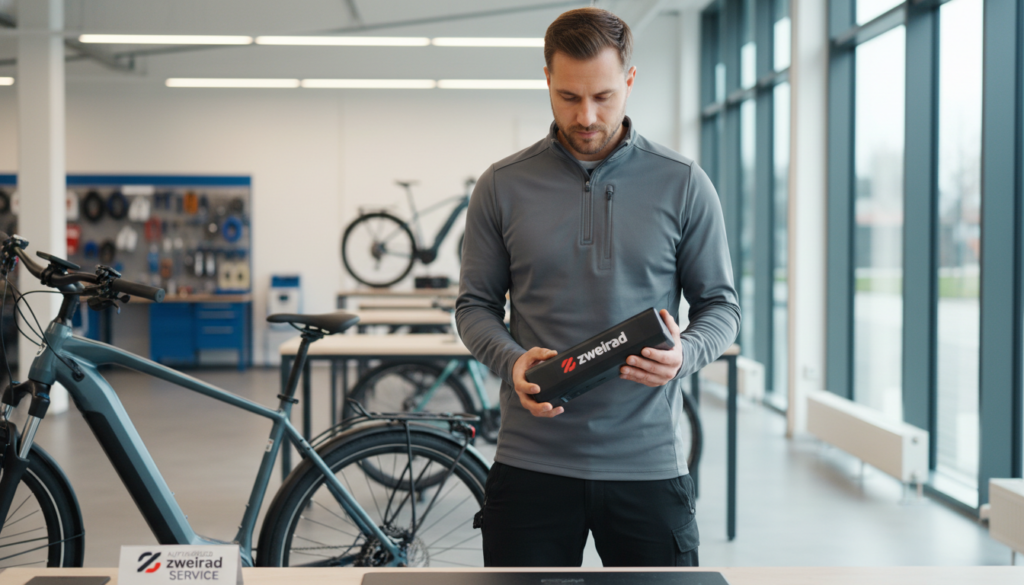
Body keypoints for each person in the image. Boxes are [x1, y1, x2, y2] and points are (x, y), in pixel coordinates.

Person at [456, 7, 740, 568]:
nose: (585, 115)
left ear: (630, 81)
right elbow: (475, 306)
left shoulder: (683, 183)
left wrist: (685, 353)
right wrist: (511, 361)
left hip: (649, 464)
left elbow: (721, 307)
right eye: (568, 97)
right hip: (531, 463)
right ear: (547, 80)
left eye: (604, 97)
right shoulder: (501, 185)